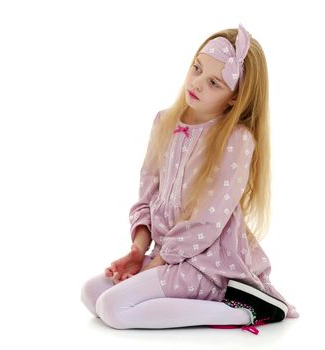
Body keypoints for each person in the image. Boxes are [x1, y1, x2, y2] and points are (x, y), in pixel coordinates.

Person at [81, 23, 299, 335]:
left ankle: (249, 311)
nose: (196, 83)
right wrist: (139, 252)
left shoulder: (236, 139)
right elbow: (146, 196)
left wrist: (156, 266)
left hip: (207, 262)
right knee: (92, 293)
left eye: (214, 83)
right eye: (196, 68)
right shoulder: (164, 122)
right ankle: (184, 294)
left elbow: (208, 223)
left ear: (234, 99)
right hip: (166, 254)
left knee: (113, 308)